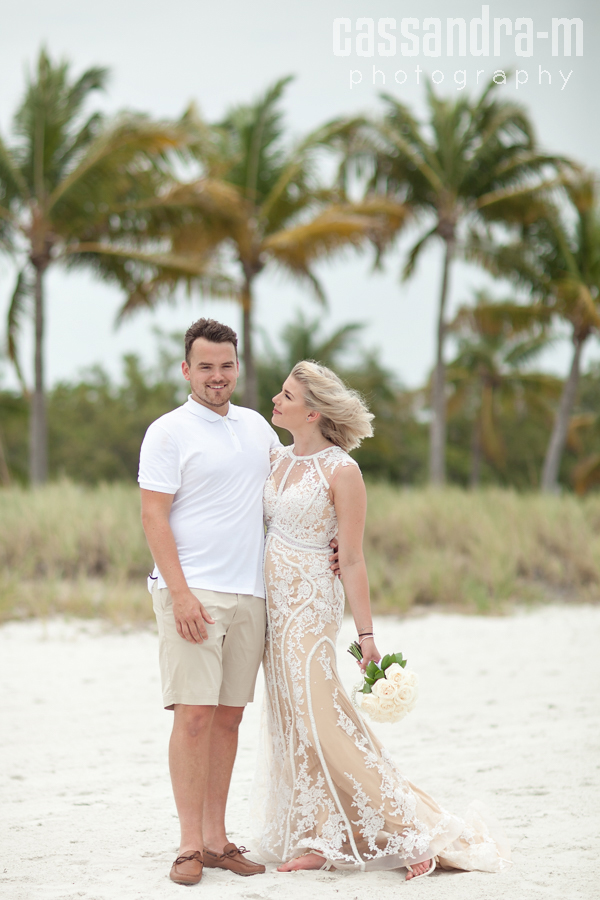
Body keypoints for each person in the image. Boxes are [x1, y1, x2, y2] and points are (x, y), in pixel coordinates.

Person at [252, 360, 511, 879]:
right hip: (272, 612)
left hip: (310, 610)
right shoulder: (274, 460)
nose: (275, 401)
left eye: (285, 395)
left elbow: (350, 557)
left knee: (326, 720)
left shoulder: (342, 471)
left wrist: (366, 634)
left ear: (313, 410)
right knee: (292, 722)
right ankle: (318, 835)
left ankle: (410, 834)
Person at [139, 318, 320, 886]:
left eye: (226, 365)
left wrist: (335, 541)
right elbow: (153, 517)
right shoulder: (167, 431)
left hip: (252, 594)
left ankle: (218, 842)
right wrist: (182, 594)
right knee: (192, 717)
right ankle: (189, 845)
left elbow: (293, 494)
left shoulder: (257, 430)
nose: (217, 376)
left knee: (228, 720)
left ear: (237, 367)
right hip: (192, 593)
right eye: (205, 366)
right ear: (186, 369)